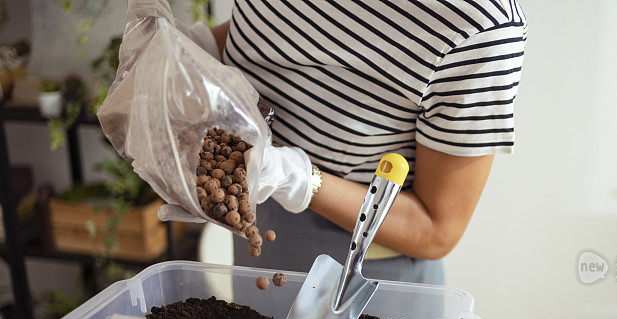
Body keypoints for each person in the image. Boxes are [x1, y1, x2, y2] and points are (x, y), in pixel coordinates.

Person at [187, 0, 526, 284]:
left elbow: (436, 229)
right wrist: (190, 49)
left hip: (363, 267)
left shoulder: (481, 25)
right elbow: (271, 30)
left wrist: (300, 179)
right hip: (253, 228)